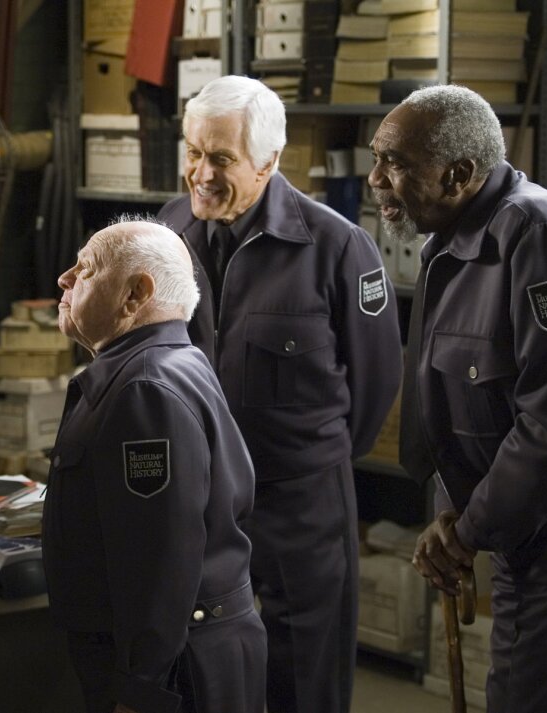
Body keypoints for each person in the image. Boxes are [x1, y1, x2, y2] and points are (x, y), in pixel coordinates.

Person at [370, 84, 547, 713]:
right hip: (521, 525)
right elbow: (454, 405)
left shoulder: (535, 231)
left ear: (458, 174)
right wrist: (454, 514)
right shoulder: (449, 240)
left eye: (395, 163)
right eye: (377, 158)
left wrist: (470, 530)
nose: (376, 179)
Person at [157, 75, 402, 713]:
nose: (200, 174)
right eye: (193, 152)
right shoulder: (166, 232)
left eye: (221, 158)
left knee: (305, 670)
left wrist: (307, 457)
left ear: (268, 161)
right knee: (202, 668)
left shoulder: (338, 247)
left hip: (299, 500)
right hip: (197, 496)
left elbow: (376, 383)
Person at [42, 219, 267, 713]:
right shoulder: (167, 361)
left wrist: (140, 689)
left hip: (176, 671)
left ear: (134, 295)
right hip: (186, 655)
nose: (64, 278)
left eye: (86, 269)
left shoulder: (144, 388)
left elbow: (161, 560)